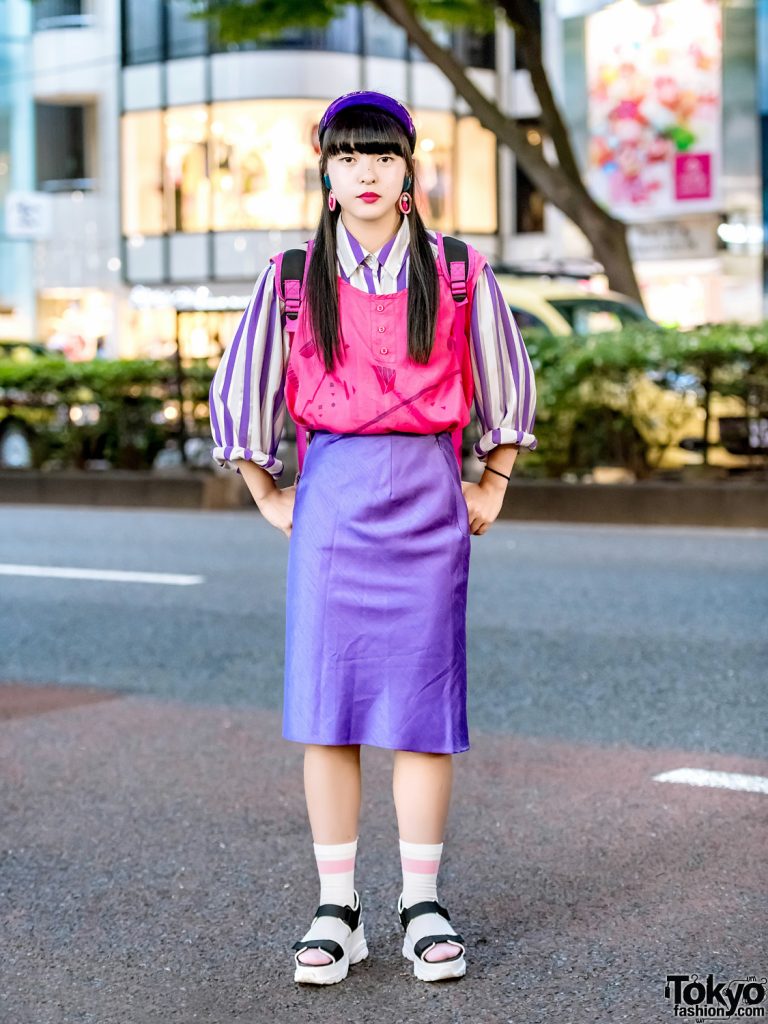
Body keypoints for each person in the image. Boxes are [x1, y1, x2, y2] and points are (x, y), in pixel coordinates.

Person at [208, 91, 537, 986]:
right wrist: (268, 490)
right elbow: (245, 389)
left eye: (382, 157)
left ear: (407, 174)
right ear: (325, 172)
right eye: (348, 157)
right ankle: (337, 907)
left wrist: (492, 479)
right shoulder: (288, 274)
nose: (365, 172)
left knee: (423, 717)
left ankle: (421, 902)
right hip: (333, 498)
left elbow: (506, 382)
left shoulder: (461, 270)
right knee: (331, 711)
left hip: (429, 498)